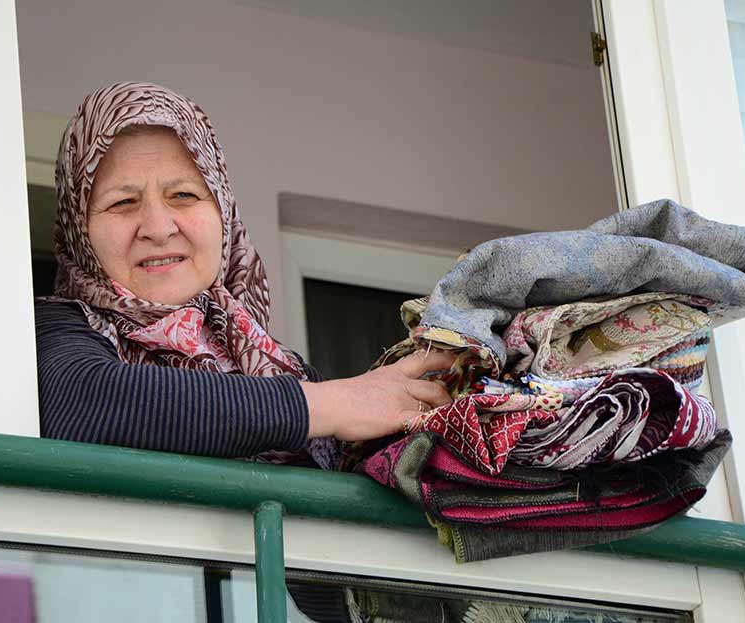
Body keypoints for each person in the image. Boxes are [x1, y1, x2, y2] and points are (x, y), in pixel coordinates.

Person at [35, 82, 453, 468]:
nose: (159, 228)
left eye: (184, 195)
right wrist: (326, 407)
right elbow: (83, 401)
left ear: (224, 214)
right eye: (123, 202)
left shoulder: (281, 368)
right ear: (79, 229)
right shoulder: (54, 331)